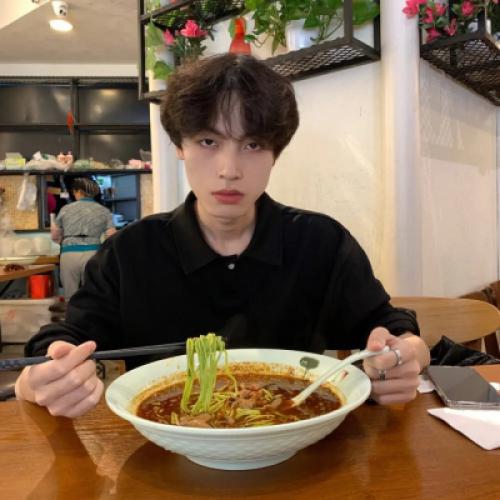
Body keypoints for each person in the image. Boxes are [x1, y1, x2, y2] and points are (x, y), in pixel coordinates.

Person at [15, 53, 430, 418]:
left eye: (253, 145)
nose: (229, 170)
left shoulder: (320, 242)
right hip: (163, 456)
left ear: (276, 152)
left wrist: (404, 353)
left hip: (305, 453)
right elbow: (66, 339)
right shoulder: (131, 252)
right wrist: (42, 378)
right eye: (208, 141)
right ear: (180, 145)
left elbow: (388, 326)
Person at [50, 177, 116, 300]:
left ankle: (71, 311)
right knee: (92, 293)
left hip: (69, 254)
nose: (74, 194)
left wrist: (62, 242)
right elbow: (111, 235)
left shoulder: (66, 209)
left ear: (79, 192)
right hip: (93, 254)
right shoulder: (104, 211)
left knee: (70, 295)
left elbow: (54, 234)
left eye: (74, 192)